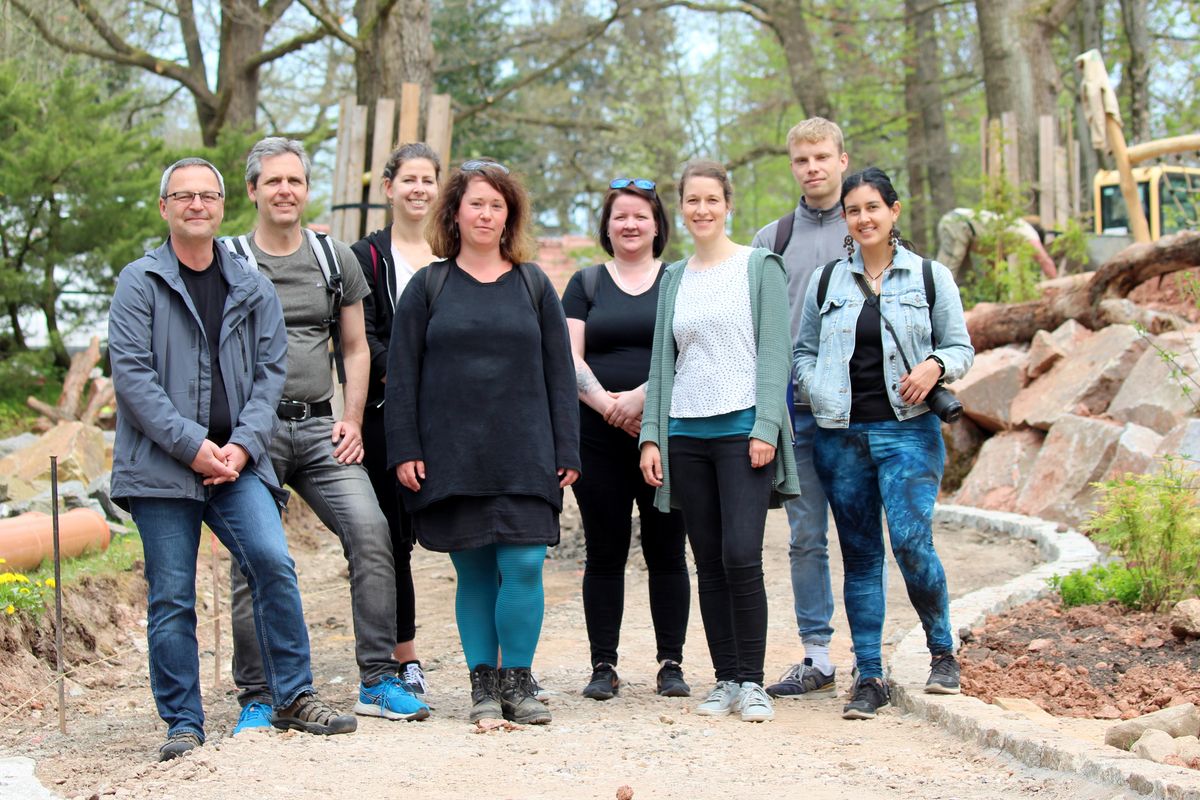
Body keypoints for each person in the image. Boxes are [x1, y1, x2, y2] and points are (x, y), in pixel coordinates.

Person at [109, 157, 356, 761]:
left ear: (223, 206)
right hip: (164, 468)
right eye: (183, 196)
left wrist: (242, 446)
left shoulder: (250, 284)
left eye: (207, 196)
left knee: (273, 563)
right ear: (164, 207)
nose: (197, 205)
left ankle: (293, 695)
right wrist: (193, 447)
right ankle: (183, 722)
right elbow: (134, 377)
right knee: (172, 595)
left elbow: (271, 375)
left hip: (239, 463)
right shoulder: (139, 283)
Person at [225, 137, 429, 733]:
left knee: (372, 532)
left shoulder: (330, 256)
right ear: (253, 191)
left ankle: (377, 679)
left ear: (306, 189)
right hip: (252, 438)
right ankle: (259, 696)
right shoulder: (229, 259)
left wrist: (353, 418)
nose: (285, 191)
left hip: (319, 428)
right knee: (252, 557)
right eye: (273, 181)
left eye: (294, 181)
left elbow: (356, 345)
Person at [385, 159, 580, 725]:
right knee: (472, 572)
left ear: (509, 215)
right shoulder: (428, 286)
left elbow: (559, 375)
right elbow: (402, 376)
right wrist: (405, 449)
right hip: (452, 455)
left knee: (523, 565)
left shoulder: (534, 284)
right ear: (455, 212)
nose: (486, 214)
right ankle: (483, 687)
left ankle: (519, 683)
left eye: (497, 205)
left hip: (525, 453)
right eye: (476, 203)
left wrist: (567, 449)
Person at [794, 167, 974, 721]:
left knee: (912, 541)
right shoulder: (826, 281)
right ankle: (868, 674)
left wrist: (936, 366)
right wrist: (818, 385)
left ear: (893, 211)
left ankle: (942, 652)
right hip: (840, 435)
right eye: (854, 210)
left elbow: (961, 347)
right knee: (861, 555)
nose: (863, 218)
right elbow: (801, 352)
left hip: (909, 431)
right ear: (845, 219)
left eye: (873, 207)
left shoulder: (929, 277)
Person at [639, 160, 799, 723]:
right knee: (707, 561)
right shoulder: (674, 278)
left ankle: (754, 682)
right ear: (680, 209)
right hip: (686, 433)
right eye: (691, 201)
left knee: (740, 557)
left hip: (742, 433)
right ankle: (726, 678)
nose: (701, 209)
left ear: (728, 203)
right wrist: (652, 438)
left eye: (711, 199)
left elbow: (776, 352)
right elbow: (664, 362)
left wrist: (766, 428)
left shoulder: (761, 267)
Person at [562, 178, 690, 701]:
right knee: (604, 551)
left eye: (640, 215)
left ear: (657, 224)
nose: (630, 224)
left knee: (667, 552)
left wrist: (642, 400)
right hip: (596, 436)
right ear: (607, 226)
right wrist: (611, 407)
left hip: (665, 432)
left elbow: (691, 351)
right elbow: (567, 357)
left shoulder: (679, 281)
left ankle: (671, 663)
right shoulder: (586, 283)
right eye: (620, 216)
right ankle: (603, 665)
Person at [750, 117, 849, 698]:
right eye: (801, 160)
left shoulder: (866, 226)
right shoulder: (773, 239)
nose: (811, 168)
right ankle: (817, 654)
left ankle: (870, 655)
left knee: (861, 534)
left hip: (858, 411)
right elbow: (754, 330)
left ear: (840, 158)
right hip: (796, 414)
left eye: (821, 157)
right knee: (805, 536)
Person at [350, 142, 441, 696]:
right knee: (392, 540)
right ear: (388, 187)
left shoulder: (454, 252)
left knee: (478, 532)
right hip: (390, 415)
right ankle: (404, 655)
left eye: (428, 180)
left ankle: (499, 658)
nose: (418, 189)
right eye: (408, 179)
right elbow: (365, 339)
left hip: (458, 419)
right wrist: (417, 383)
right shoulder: (367, 257)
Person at [935, 207, 1057, 283]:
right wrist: (1057, 287)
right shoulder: (1028, 232)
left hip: (959, 225)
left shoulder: (1012, 231)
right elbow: (1045, 261)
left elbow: (991, 266)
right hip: (958, 224)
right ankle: (930, 309)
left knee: (964, 280)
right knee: (945, 276)